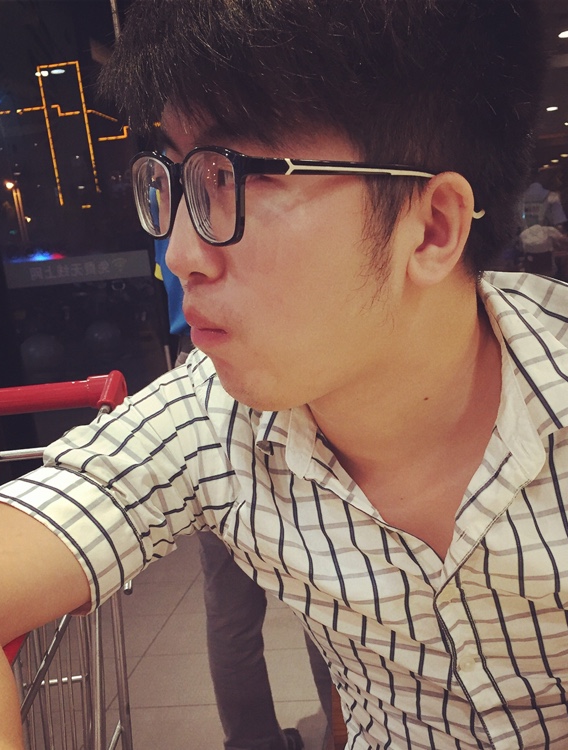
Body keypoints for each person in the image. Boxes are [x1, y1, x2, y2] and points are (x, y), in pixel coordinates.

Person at [0, 3, 568, 750]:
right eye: (181, 179)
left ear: (432, 228)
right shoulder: (210, 416)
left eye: (235, 178)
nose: (181, 254)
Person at [155, 237, 329, 749]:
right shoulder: (249, 216)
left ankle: (253, 742)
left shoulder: (176, 224)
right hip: (290, 364)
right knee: (327, 582)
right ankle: (343, 731)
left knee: (230, 609)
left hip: (203, 362)